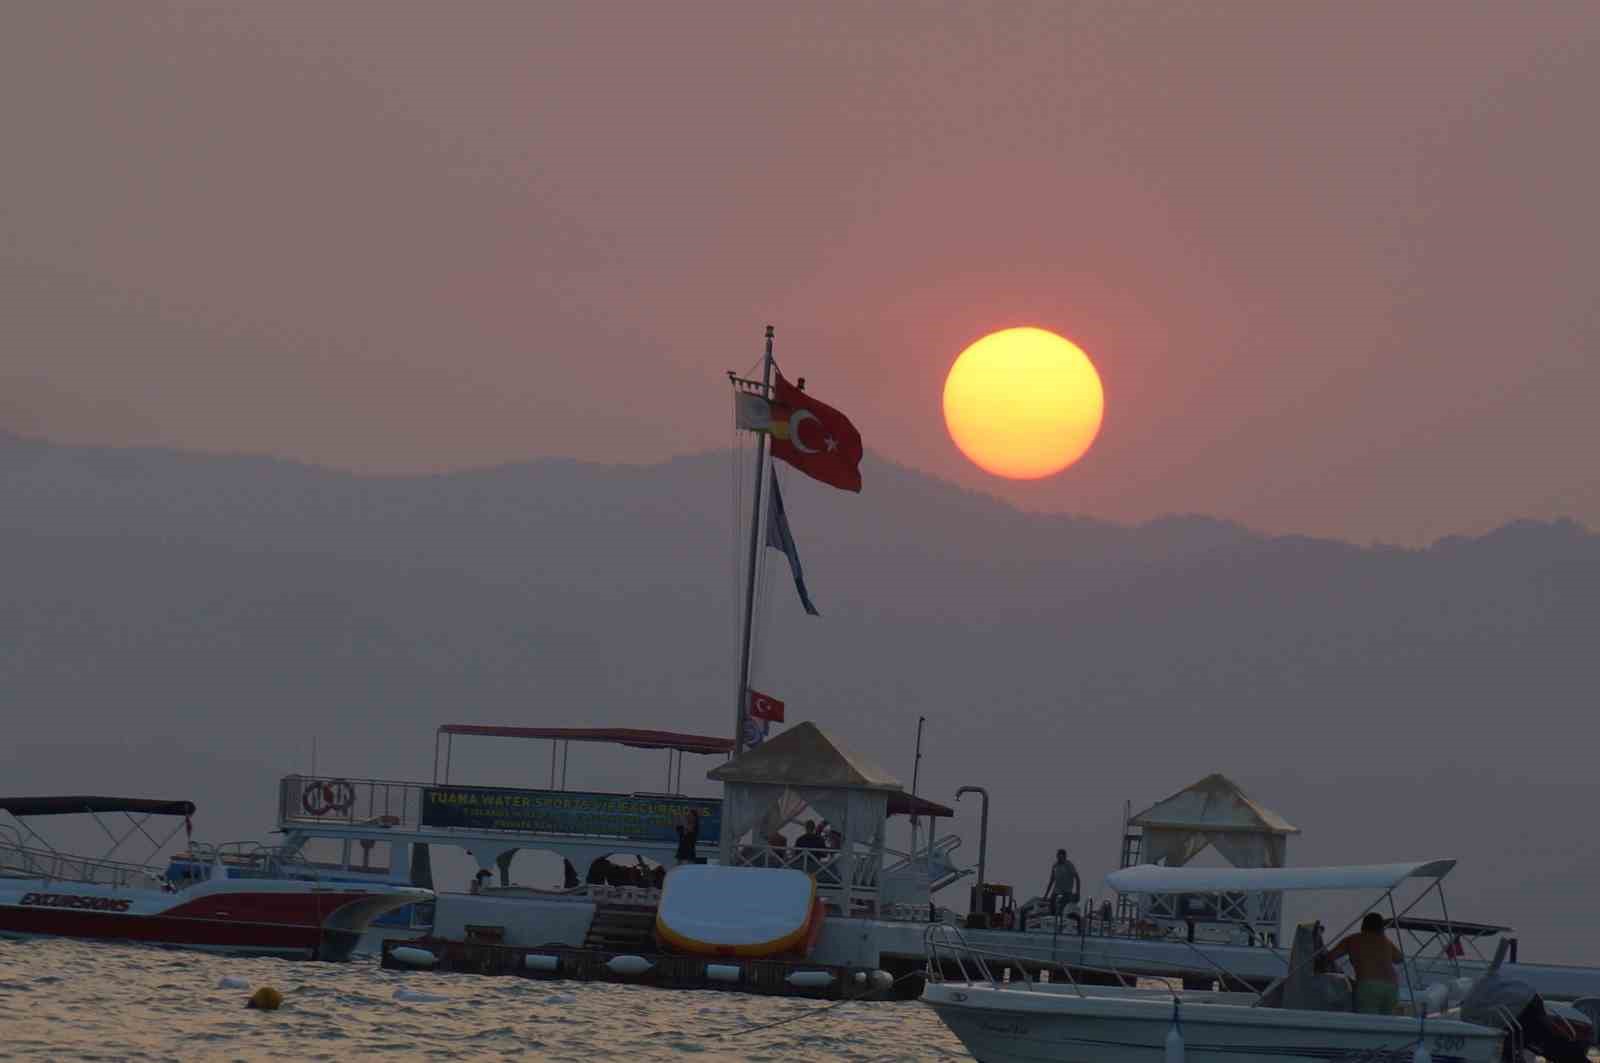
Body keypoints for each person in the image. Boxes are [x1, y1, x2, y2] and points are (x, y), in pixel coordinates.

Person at [1325, 913, 1403, 1014]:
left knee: (1368, 1023)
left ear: (1363, 925)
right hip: (1391, 987)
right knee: (1386, 1024)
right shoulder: (1386, 941)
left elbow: (1330, 957)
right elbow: (1399, 959)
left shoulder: (1352, 939)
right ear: (1381, 927)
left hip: (1369, 986)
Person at [1044, 849, 1080, 920]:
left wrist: (1078, 892)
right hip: (1057, 890)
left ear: (1065, 857)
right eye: (1058, 857)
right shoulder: (1055, 866)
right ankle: (1053, 918)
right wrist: (1045, 895)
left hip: (1067, 891)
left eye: (1062, 857)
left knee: (1062, 905)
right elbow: (1051, 881)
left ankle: (1060, 918)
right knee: (1052, 903)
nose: (1060, 859)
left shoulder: (1069, 865)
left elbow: (1077, 878)